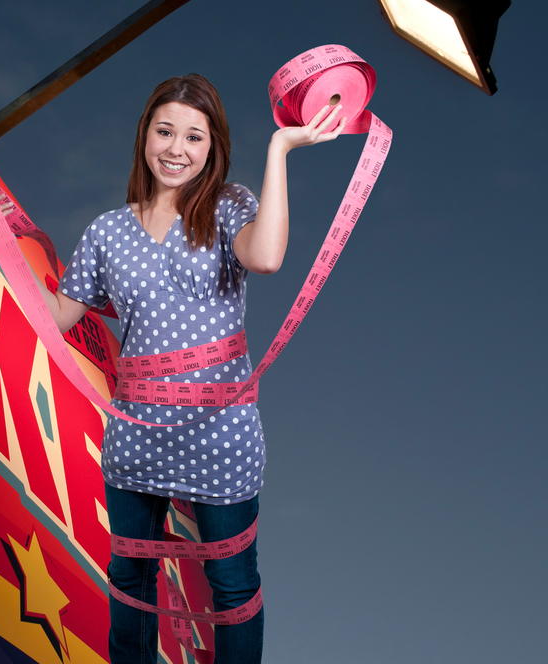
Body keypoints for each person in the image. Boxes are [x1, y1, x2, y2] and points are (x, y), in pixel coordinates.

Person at [35, 74, 345, 664]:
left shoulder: (228, 207)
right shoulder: (106, 232)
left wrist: (280, 149)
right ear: (145, 136)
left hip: (220, 438)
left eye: (194, 137)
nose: (177, 149)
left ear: (213, 147)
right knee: (130, 581)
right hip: (137, 437)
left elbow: (268, 257)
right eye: (165, 131)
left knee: (232, 588)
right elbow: (59, 313)